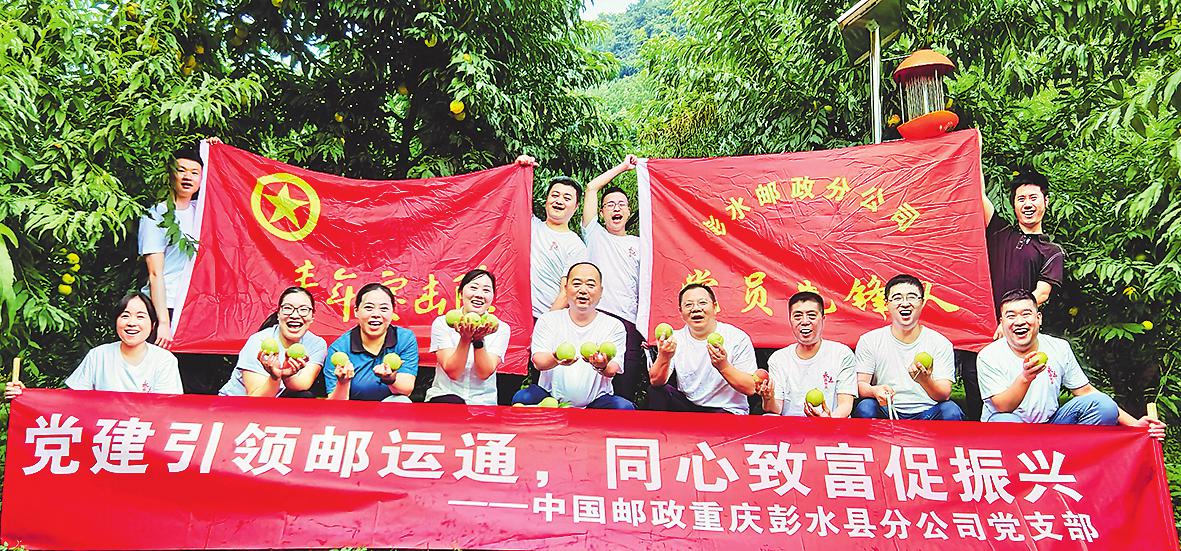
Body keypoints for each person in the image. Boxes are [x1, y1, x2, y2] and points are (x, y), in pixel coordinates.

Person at [978, 289, 1166, 439]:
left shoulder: (1059, 347)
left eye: (1026, 314)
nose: (1019, 321)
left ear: (1039, 318)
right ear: (1002, 323)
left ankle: (1078, 462)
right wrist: (1025, 378)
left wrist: (1135, 425)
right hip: (1009, 428)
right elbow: (1002, 407)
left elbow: (1085, 391)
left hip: (1050, 426)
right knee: (1005, 421)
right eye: (1011, 316)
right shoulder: (989, 355)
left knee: (1103, 404)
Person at [960, 169, 1067, 420]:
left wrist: (1010, 319)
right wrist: (973, 149)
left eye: (1033, 197)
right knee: (974, 383)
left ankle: (1018, 438)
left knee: (1016, 389)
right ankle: (979, 439)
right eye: (1021, 199)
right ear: (1014, 205)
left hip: (1018, 331)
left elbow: (1042, 293)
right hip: (981, 328)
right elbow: (977, 192)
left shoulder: (1051, 250)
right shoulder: (999, 231)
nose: (1027, 204)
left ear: (1045, 201)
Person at [5, 293, 182, 399]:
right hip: (100, 439)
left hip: (144, 438)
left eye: (140, 316)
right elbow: (71, 401)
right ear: (116, 322)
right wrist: (26, 396)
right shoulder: (98, 355)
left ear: (153, 325)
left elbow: (167, 408)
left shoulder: (164, 360)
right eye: (125, 315)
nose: (131, 323)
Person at [513, 262, 632, 409]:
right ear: (565, 288)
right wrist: (556, 358)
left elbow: (613, 369)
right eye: (576, 284)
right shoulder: (548, 320)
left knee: (624, 408)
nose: (583, 290)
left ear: (601, 291)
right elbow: (538, 362)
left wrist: (602, 366)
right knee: (523, 398)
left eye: (590, 285)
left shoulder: (613, 325)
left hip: (596, 402)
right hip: (550, 400)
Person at [139, 139, 221, 349]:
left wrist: (216, 152)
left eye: (195, 172)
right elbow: (155, 273)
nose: (187, 177)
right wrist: (163, 322)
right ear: (170, 174)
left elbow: (227, 191)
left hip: (197, 305)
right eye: (181, 170)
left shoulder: (203, 211)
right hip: (166, 304)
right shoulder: (157, 214)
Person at [853, 274, 964, 421]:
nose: (905, 303)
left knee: (951, 411)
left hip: (928, 412)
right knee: (865, 407)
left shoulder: (940, 342)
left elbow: (944, 394)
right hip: (887, 410)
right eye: (897, 298)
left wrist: (925, 380)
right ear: (886, 304)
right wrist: (874, 390)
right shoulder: (870, 340)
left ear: (922, 302)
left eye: (912, 297)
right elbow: (861, 385)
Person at [581, 155, 645, 402]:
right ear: (602, 212)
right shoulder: (595, 235)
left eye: (621, 204)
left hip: (630, 323)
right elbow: (591, 188)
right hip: (596, 318)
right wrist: (624, 167)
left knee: (624, 391)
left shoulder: (641, 244)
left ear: (628, 211)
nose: (616, 208)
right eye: (610, 205)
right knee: (589, 387)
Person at [648, 284, 758, 414]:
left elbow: (750, 388)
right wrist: (664, 356)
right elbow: (655, 381)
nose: (695, 308)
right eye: (688, 305)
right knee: (656, 392)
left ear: (715, 307)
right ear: (681, 312)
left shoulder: (737, 337)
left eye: (702, 303)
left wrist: (723, 366)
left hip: (726, 409)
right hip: (688, 406)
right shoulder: (675, 339)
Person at [759, 291, 856, 418]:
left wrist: (829, 420)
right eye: (798, 316)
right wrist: (768, 398)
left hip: (832, 424)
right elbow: (775, 409)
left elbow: (845, 405)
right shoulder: (778, 359)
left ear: (823, 319)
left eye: (811, 315)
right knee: (768, 417)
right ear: (790, 320)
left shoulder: (842, 354)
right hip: (790, 426)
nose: (804, 321)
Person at [217, 287, 327, 397]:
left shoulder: (317, 344)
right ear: (278, 314)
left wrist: (287, 375)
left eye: (303, 310)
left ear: (312, 316)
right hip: (235, 403)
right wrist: (275, 377)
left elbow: (302, 385)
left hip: (275, 402)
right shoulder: (258, 341)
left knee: (304, 396)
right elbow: (256, 398)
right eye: (288, 308)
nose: (295, 315)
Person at [426, 269, 511, 405]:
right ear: (460, 293)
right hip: (445, 399)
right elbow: (453, 372)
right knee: (452, 401)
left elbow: (484, 373)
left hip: (483, 402)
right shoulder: (442, 323)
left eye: (486, 290)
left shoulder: (500, 328)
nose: (479, 295)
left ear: (493, 297)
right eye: (473, 288)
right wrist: (465, 339)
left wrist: (478, 341)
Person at [324, 283, 419, 402]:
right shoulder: (338, 349)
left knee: (402, 400)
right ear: (356, 311)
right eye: (369, 308)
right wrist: (343, 383)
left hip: (389, 408)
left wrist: (389, 379)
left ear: (392, 312)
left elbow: (406, 390)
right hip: (352, 409)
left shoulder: (405, 338)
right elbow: (335, 405)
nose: (376, 315)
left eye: (384, 309)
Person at [520, 154, 588, 319]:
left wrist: (546, 322)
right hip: (513, 312)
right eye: (555, 195)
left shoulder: (576, 246)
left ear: (576, 207)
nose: (559, 200)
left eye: (567, 198)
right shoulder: (530, 225)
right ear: (546, 200)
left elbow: (566, 291)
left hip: (544, 317)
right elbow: (515, 198)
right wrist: (521, 169)